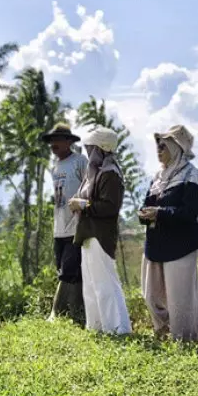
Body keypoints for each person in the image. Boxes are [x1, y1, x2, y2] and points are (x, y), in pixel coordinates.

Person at [139, 125, 198, 341]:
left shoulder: (193, 175)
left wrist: (159, 213)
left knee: (180, 299)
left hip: (181, 245)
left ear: (175, 147)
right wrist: (145, 214)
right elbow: (146, 205)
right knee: (151, 295)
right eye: (157, 146)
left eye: (163, 146)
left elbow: (190, 212)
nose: (158, 150)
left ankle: (185, 340)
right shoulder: (158, 177)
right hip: (156, 243)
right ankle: (162, 331)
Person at [69, 127, 132, 335]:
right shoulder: (93, 173)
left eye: (91, 148)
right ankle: (96, 326)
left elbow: (110, 207)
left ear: (101, 148)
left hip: (100, 234)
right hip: (88, 232)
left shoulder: (110, 174)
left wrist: (84, 205)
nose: (88, 152)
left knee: (105, 283)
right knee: (91, 284)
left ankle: (118, 329)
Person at [40, 122, 87, 324]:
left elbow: (90, 188)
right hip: (59, 227)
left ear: (68, 141)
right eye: (51, 141)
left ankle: (55, 313)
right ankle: (76, 313)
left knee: (67, 270)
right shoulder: (55, 167)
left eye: (57, 140)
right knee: (68, 270)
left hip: (76, 225)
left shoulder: (80, 161)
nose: (53, 144)